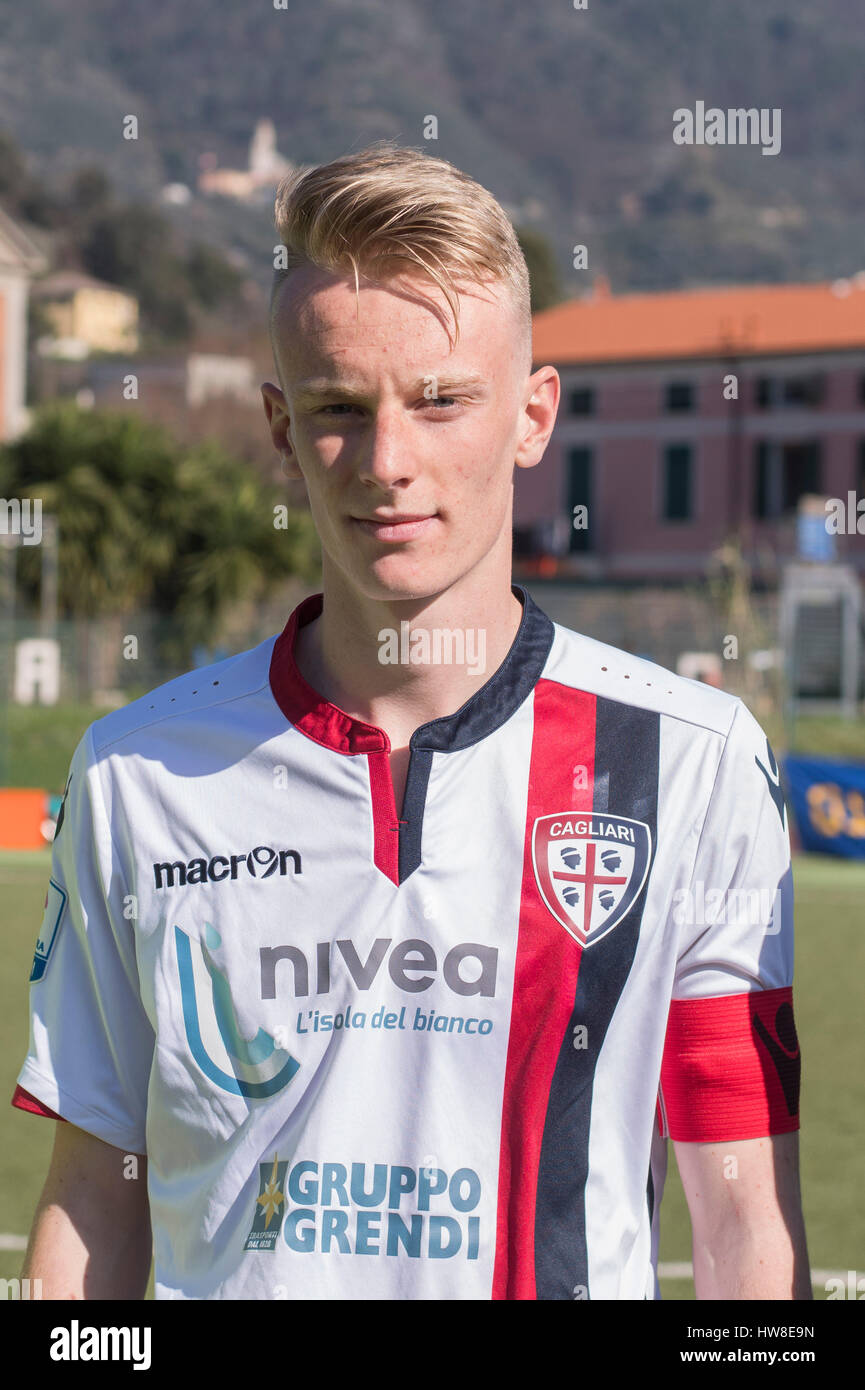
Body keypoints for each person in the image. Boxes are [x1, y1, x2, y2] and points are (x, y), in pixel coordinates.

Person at [13, 143, 810, 1300]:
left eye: (442, 400)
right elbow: (95, 1193)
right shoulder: (137, 773)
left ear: (533, 416)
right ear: (281, 432)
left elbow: (747, 1227)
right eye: (340, 409)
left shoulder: (689, 761)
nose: (390, 462)